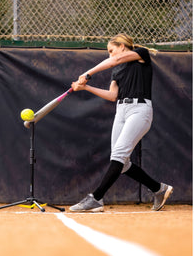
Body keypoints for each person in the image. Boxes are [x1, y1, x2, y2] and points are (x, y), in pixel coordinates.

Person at [69, 33, 173, 212]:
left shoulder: (141, 54)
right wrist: (85, 86)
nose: (110, 55)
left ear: (122, 46)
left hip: (139, 110)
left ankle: (97, 198)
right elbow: (112, 96)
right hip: (121, 111)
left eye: (111, 50)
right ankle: (158, 189)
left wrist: (87, 74)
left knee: (118, 154)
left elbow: (113, 61)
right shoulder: (117, 70)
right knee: (122, 163)